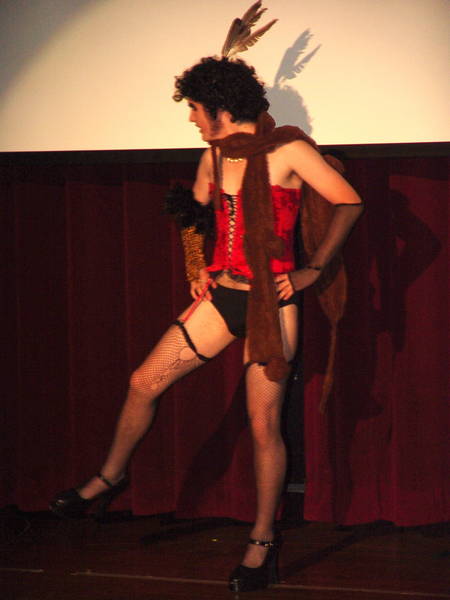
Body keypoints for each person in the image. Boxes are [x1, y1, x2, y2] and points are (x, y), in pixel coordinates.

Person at [50, 7, 363, 593]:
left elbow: (349, 202)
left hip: (273, 308)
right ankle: (108, 479)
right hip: (224, 298)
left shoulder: (288, 151)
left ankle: (262, 543)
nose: (192, 120)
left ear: (220, 108)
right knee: (144, 382)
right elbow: (196, 214)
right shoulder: (214, 157)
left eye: (195, 109)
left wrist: (312, 271)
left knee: (263, 427)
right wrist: (200, 266)